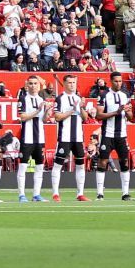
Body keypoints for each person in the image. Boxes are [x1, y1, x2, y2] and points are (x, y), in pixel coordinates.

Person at [94, 71, 135, 201]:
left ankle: (125, 193)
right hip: (108, 134)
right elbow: (98, 115)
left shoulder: (125, 95)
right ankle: (100, 194)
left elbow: (130, 116)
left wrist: (127, 112)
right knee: (103, 161)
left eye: (120, 81)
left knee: (124, 162)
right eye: (116, 81)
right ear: (111, 81)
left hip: (122, 135)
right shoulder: (104, 95)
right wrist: (116, 112)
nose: (119, 83)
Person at [51, 74, 90, 202]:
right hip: (65, 137)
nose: (72, 85)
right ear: (64, 83)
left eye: (74, 82)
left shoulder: (79, 98)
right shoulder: (60, 99)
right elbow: (57, 117)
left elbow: (85, 118)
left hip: (78, 137)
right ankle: (55, 193)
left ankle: (80, 194)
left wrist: (82, 107)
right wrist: (72, 110)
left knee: (80, 165)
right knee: (58, 165)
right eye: (69, 82)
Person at [14, 75, 51, 204]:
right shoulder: (23, 99)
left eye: (36, 83)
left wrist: (47, 111)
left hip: (39, 137)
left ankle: (36, 194)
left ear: (39, 85)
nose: (33, 86)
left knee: (40, 167)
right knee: (23, 166)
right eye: (31, 83)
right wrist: (38, 110)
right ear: (27, 85)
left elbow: (45, 120)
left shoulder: (42, 99)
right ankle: (21, 195)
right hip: (27, 137)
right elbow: (23, 117)